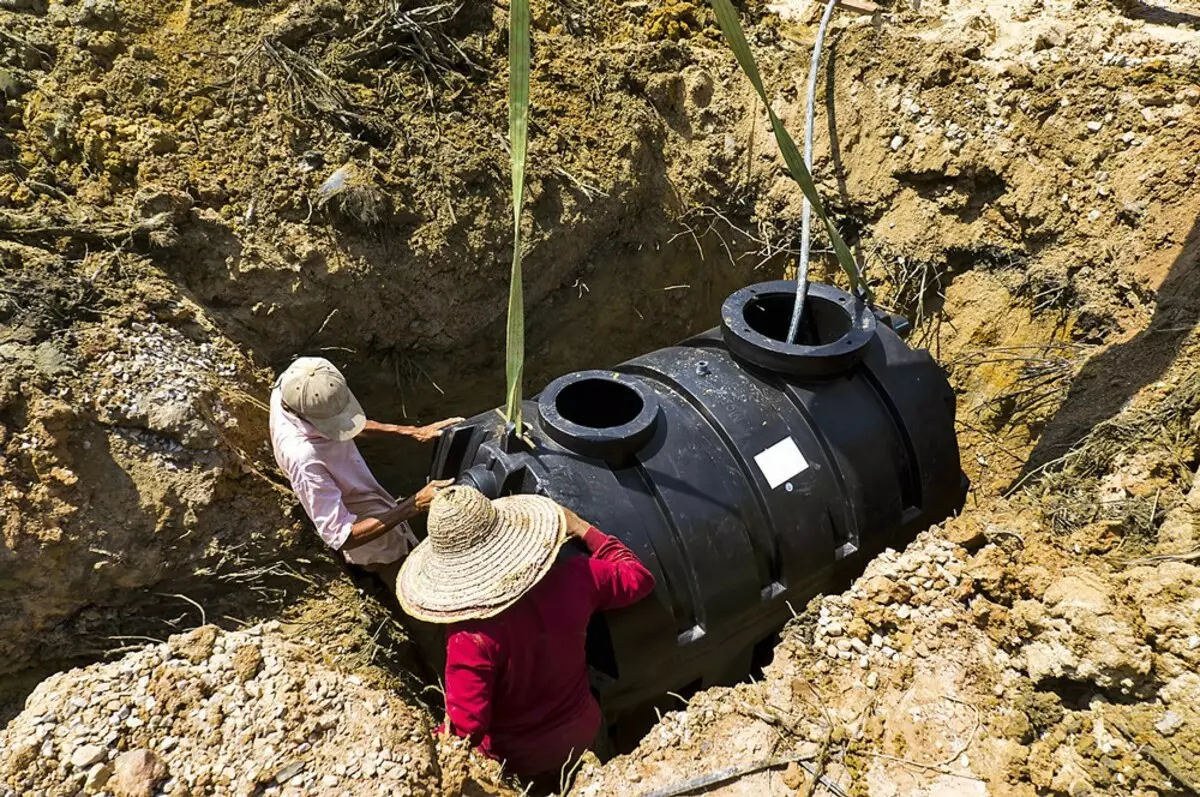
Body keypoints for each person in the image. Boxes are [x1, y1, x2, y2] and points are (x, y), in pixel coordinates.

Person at [396, 485, 656, 783]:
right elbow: (639, 577)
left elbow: (466, 728)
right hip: (583, 734)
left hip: (519, 761)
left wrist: (420, 745)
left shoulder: (470, 638)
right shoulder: (576, 577)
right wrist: (580, 527)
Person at [269, 356, 461, 580]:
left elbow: (345, 424)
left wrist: (412, 431)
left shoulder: (295, 380)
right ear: (307, 417)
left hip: (356, 483)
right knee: (400, 571)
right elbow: (341, 536)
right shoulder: (305, 460)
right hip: (360, 523)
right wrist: (414, 505)